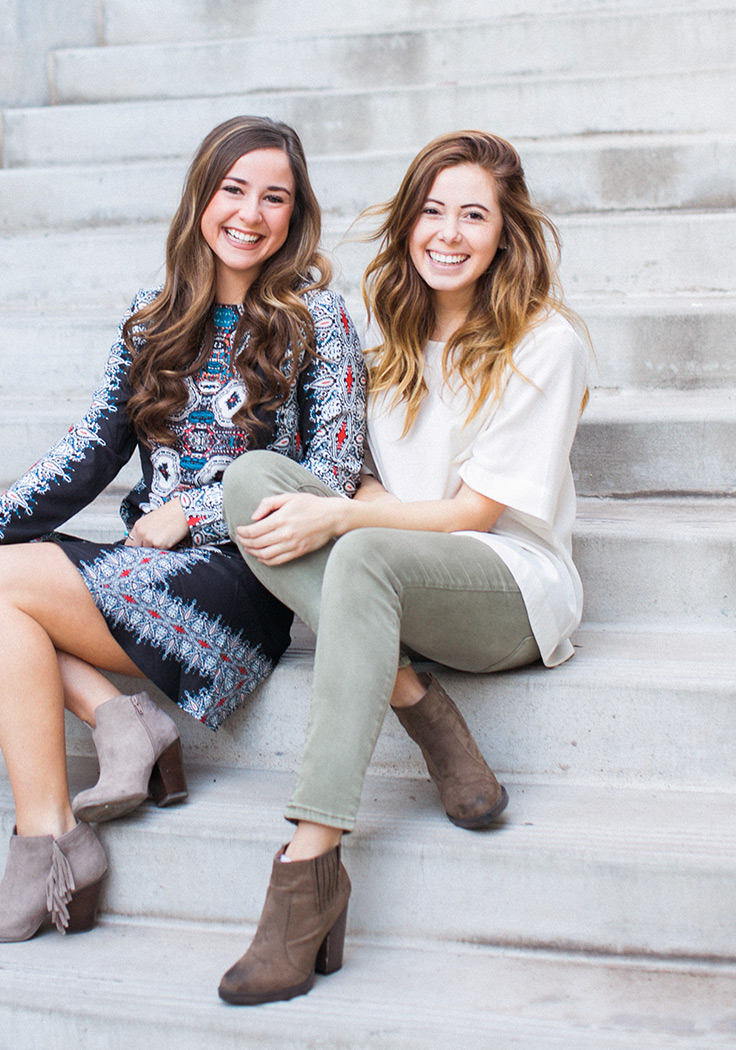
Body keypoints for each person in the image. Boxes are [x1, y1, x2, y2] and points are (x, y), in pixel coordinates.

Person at [0, 115, 365, 944]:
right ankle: (105, 738)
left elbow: (331, 473)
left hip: (242, 585)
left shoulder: (317, 318)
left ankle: (52, 839)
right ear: (200, 198)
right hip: (139, 570)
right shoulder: (153, 320)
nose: (250, 214)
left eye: (275, 198)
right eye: (233, 190)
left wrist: (195, 510)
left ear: (296, 216)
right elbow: (90, 449)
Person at [219, 130, 591, 1004]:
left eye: (474, 216)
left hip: (508, 587)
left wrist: (350, 513)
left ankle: (309, 863)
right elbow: (353, 463)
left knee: (362, 548)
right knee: (251, 483)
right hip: (387, 564)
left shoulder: (546, 341)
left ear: (506, 233)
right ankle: (416, 699)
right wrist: (354, 500)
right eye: (432, 211)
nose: (448, 234)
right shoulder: (381, 320)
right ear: (409, 221)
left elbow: (470, 515)